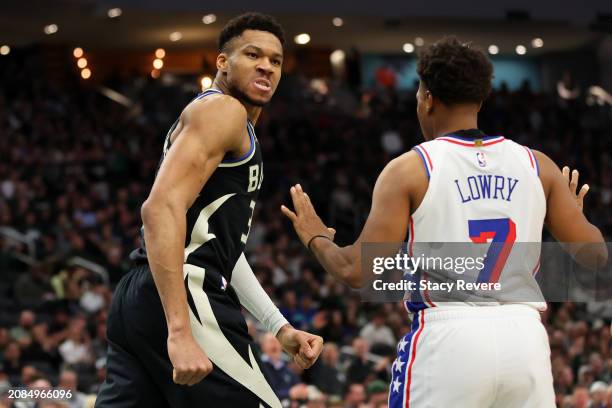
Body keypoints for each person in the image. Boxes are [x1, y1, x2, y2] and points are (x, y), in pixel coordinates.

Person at [281, 37, 608, 407]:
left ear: (427, 98)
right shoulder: (538, 165)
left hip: (449, 337)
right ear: (481, 99)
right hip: (525, 339)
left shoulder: (411, 168)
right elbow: (595, 257)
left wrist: (316, 237)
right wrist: (574, 215)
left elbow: (357, 270)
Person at [95, 13, 323, 408]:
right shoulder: (223, 112)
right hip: (184, 293)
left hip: (142, 293)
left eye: (275, 60)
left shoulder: (223, 121)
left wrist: (279, 327)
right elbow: (158, 210)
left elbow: (219, 250)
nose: (266, 66)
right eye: (253, 55)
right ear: (222, 62)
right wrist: (179, 328)